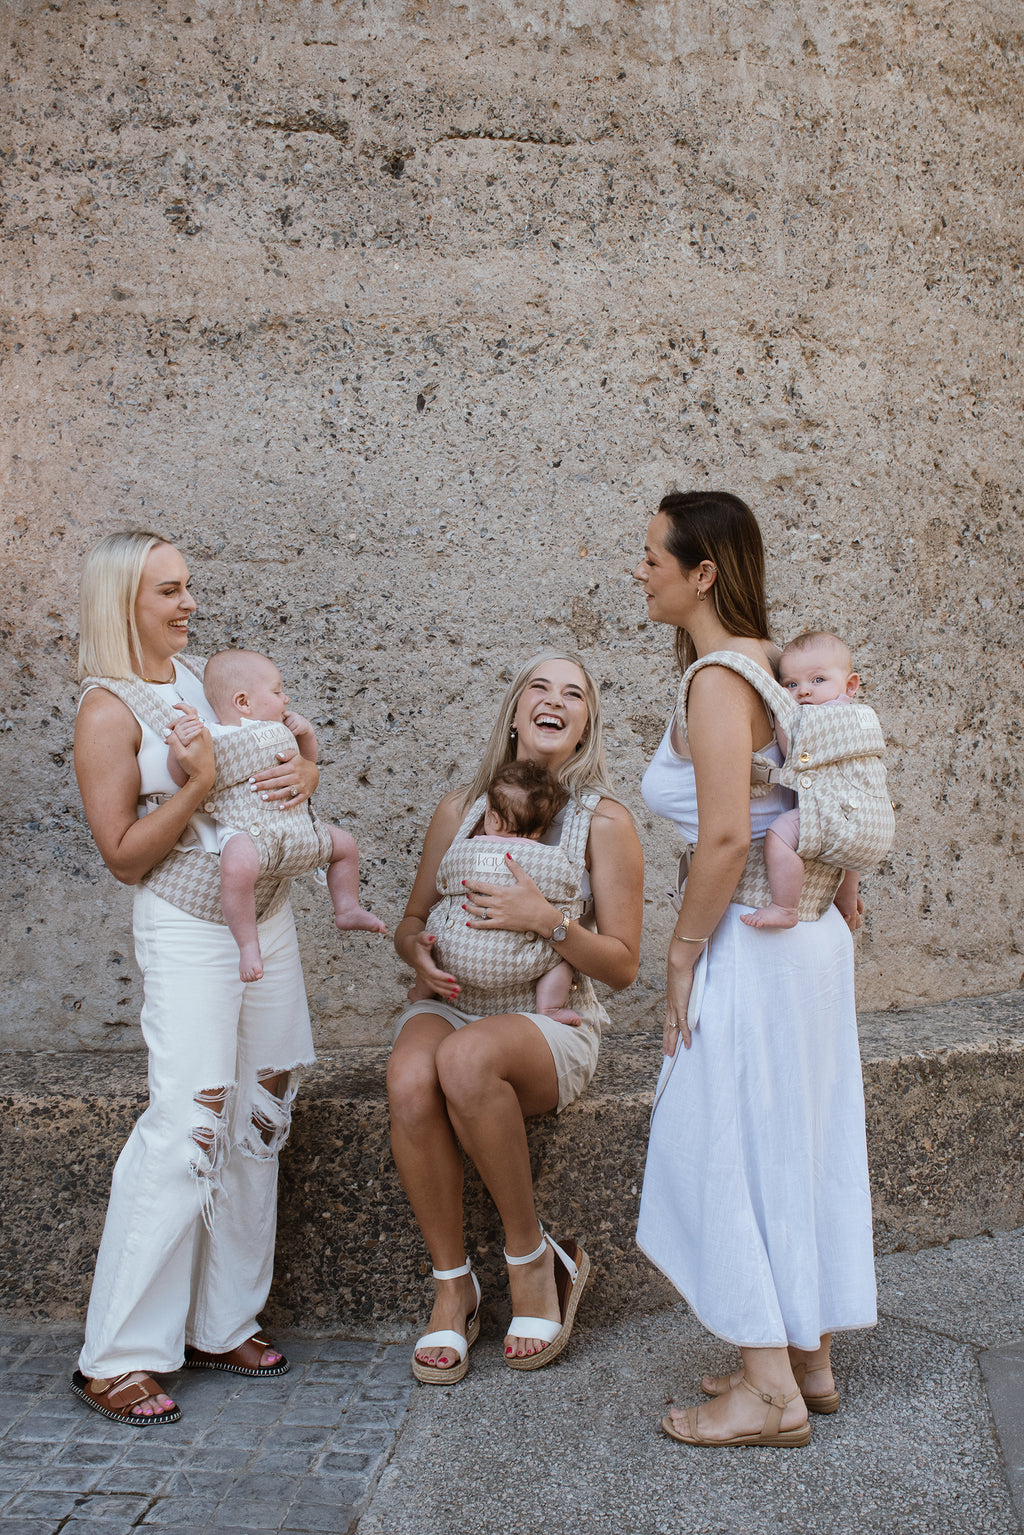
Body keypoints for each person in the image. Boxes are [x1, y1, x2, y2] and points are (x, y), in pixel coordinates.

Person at [633, 491, 876, 1448]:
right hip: (810, 936)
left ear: (702, 573)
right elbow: (829, 784)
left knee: (719, 1137)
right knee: (797, 1131)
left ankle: (766, 1395)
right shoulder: (780, 668)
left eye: (654, 555)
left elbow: (728, 835)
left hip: (753, 935)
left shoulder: (719, 678)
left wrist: (680, 956)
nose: (640, 569)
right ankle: (804, 1356)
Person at [71, 530, 320, 1427]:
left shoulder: (203, 675)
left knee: (264, 1109)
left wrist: (303, 764)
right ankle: (118, 1356)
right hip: (187, 931)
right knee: (190, 1123)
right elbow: (125, 855)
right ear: (124, 602)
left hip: (268, 918)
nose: (188, 604)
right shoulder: (109, 708)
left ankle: (224, 1320)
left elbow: (274, 767)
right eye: (169, 591)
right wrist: (195, 785)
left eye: (188, 587)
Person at [388, 652, 643, 1383]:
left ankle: (534, 1262)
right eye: (539, 684)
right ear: (514, 707)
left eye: (574, 692)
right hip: (452, 999)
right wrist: (420, 955)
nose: (554, 699)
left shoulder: (605, 821)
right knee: (409, 1077)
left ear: (587, 721)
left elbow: (623, 964)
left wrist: (546, 919)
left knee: (466, 1062)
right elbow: (410, 920)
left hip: (548, 1019)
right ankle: (453, 1284)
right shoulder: (458, 810)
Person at [167, 648, 384, 982]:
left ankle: (347, 907)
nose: (286, 699)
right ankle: (249, 944)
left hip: (297, 829)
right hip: (247, 831)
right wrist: (180, 745)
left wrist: (307, 735)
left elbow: (307, 763)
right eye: (277, 691)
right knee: (237, 869)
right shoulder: (214, 735)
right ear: (243, 702)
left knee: (346, 845)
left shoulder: (283, 728)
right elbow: (184, 778)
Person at [406, 760, 579, 1023]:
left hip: (457, 953)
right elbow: (567, 885)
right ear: (539, 830)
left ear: (492, 818)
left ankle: (424, 989)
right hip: (521, 961)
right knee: (563, 961)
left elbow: (444, 878)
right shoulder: (550, 859)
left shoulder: (463, 848)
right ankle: (549, 1008)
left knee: (433, 937)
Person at [740, 630, 862, 931]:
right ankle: (846, 900)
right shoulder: (847, 714)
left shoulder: (834, 714)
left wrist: (780, 705)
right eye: (791, 684)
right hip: (851, 812)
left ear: (850, 685)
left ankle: (784, 907)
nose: (804, 691)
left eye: (818, 680)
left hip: (830, 809)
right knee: (848, 855)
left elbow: (791, 748)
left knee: (780, 834)